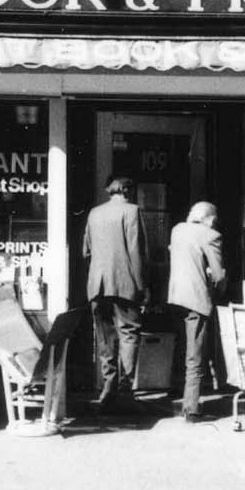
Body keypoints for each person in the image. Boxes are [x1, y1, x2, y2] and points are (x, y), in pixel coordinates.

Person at [83, 176, 148, 414]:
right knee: (130, 333)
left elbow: (86, 250)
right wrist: (143, 286)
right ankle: (125, 387)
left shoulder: (94, 213)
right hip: (125, 283)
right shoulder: (132, 211)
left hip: (98, 285)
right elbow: (136, 251)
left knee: (105, 336)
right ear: (128, 191)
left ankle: (108, 385)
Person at [167, 201, 225, 423]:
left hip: (175, 296)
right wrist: (218, 287)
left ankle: (177, 393)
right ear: (210, 218)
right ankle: (191, 408)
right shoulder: (210, 235)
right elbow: (219, 276)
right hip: (196, 299)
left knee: (182, 348)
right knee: (195, 354)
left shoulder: (177, 230)